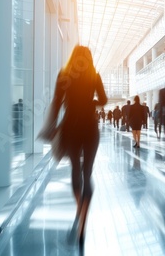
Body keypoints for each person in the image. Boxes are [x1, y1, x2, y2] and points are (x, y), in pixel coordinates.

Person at [38, 45, 107, 249]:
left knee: (76, 169)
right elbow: (103, 100)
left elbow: (57, 101)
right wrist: (90, 103)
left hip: (71, 127)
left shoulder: (64, 74)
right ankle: (83, 221)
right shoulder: (95, 76)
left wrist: (51, 126)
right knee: (88, 173)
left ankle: (80, 208)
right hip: (90, 128)